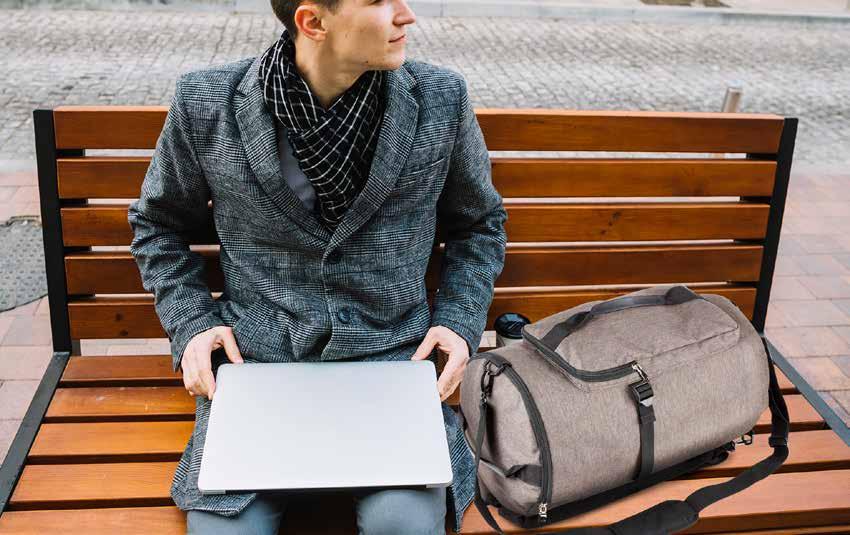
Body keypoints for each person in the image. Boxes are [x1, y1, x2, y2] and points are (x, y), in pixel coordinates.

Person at [127, 0, 507, 532]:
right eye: (379, 1)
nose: (407, 15)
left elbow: (479, 225)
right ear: (313, 21)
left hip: (393, 365)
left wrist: (459, 323)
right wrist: (193, 324)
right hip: (256, 370)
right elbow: (158, 226)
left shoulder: (440, 99)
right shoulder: (206, 102)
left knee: (403, 525)